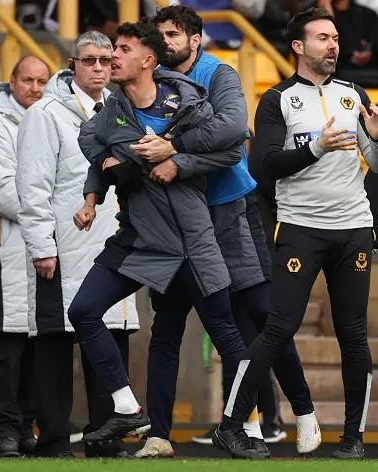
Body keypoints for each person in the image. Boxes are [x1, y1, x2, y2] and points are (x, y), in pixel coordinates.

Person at [127, 5, 319, 457]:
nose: (165, 42)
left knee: (261, 315)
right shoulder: (145, 78)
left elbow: (234, 134)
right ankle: (161, 433)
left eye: (174, 34)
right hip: (175, 219)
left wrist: (175, 152)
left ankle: (304, 413)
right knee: (169, 327)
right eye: (160, 35)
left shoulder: (220, 73)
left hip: (231, 209)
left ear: (196, 40)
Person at [71, 18, 247, 447]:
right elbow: (90, 141)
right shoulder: (111, 110)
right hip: (139, 241)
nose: (114, 56)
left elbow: (232, 149)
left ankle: (236, 427)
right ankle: (129, 410)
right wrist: (98, 184)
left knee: (231, 340)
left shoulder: (186, 103)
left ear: (148, 60)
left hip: (190, 245)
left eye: (124, 50)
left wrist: (178, 159)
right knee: (83, 312)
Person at [217, 8, 378, 460]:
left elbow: (376, 165)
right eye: (323, 37)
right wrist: (317, 146)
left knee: (354, 337)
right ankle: (231, 427)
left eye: (335, 38)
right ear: (298, 46)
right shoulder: (277, 99)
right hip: (301, 228)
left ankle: (352, 439)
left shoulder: (354, 94)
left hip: (354, 229)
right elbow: (264, 167)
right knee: (276, 329)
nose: (333, 45)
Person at [15, 31, 139, 458]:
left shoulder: (123, 111)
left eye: (107, 60)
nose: (100, 68)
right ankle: (50, 439)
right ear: (73, 65)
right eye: (90, 60)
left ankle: (105, 438)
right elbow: (31, 187)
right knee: (52, 342)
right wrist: (41, 245)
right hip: (63, 246)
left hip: (115, 245)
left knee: (110, 340)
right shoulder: (46, 113)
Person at [0, 56, 50, 457]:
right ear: (12, 82)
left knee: (38, 346)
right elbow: (0, 191)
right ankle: (4, 430)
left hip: (49, 247)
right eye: (28, 80)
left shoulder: (53, 121)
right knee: (2, 344)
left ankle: (28, 427)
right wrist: (52, 209)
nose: (35, 88)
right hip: (6, 249)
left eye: (42, 82)